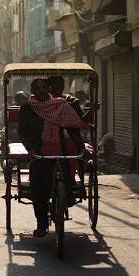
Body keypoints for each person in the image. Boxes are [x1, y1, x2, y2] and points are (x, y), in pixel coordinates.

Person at [18, 79, 88, 237]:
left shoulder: (60, 105)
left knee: (68, 181)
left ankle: (64, 201)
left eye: (44, 87)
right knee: (37, 189)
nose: (42, 91)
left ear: (48, 88)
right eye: (38, 88)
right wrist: (30, 147)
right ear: (33, 90)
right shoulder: (27, 108)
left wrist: (81, 147)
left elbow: (72, 128)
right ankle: (41, 225)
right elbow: (23, 131)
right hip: (38, 152)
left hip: (59, 150)